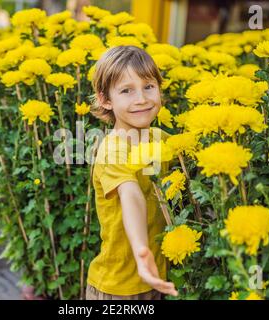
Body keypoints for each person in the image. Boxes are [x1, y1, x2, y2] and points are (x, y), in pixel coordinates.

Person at [86, 46, 179, 300]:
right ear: (105, 99)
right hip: (117, 287)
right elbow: (131, 195)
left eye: (148, 86)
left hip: (156, 279)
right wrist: (141, 250)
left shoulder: (164, 141)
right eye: (126, 90)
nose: (141, 99)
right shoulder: (112, 151)